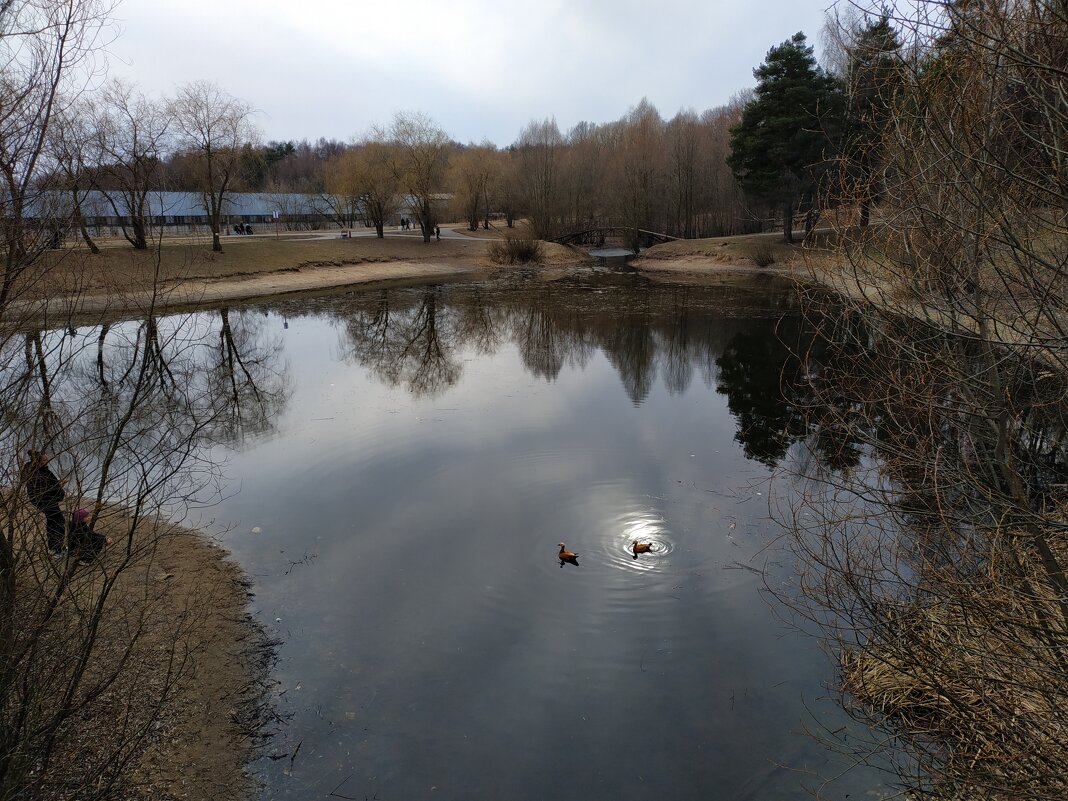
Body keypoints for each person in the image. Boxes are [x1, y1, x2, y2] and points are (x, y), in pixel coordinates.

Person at [20, 450, 66, 556]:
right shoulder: (37, 472)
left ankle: (53, 548)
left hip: (45, 500)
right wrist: (58, 486)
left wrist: (58, 485)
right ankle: (57, 550)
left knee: (52, 521)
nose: (47, 461)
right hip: (45, 501)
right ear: (37, 461)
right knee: (59, 522)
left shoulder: (37, 470)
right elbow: (42, 490)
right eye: (45, 459)